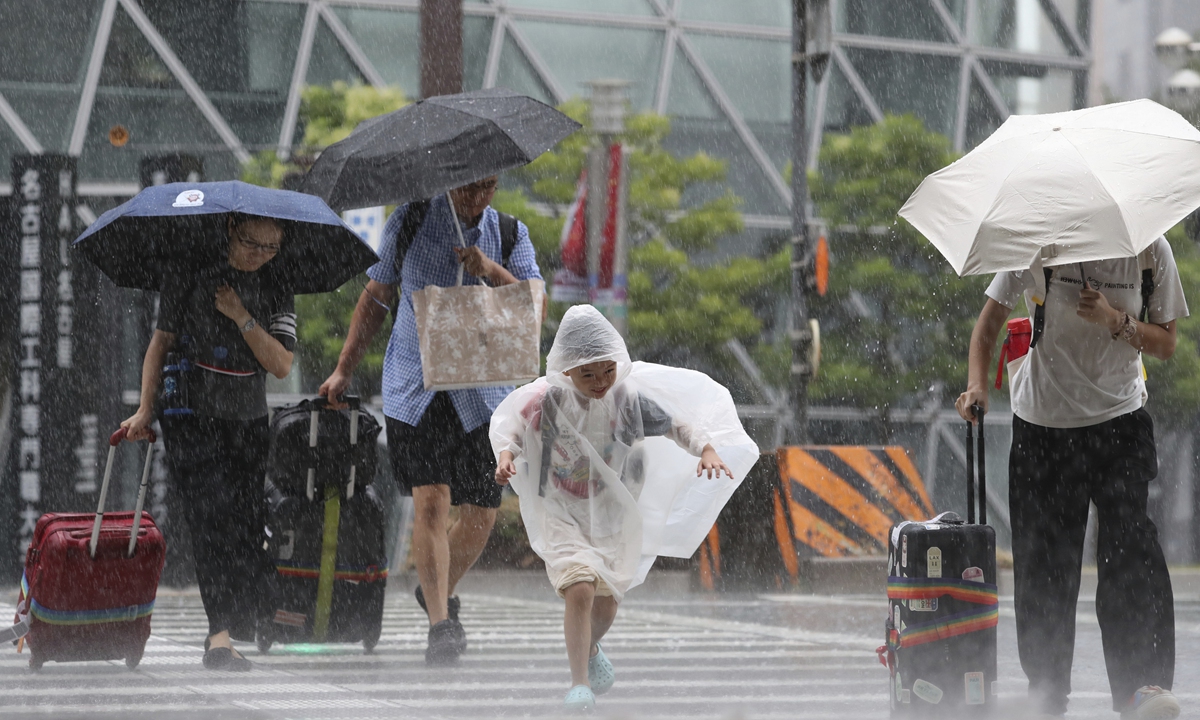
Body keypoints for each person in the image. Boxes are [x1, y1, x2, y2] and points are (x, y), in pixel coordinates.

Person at [956, 239, 1187, 719]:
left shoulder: (1149, 249)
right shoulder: (1037, 245)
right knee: (1045, 568)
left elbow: (1165, 343)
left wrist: (1114, 321)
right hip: (1044, 427)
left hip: (1120, 421)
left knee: (1130, 551)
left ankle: (1141, 687)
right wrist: (977, 386)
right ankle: (1046, 693)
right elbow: (987, 329)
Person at [320, 177, 543, 666]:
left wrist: (489, 269)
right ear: (450, 177)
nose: (477, 196)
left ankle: (435, 589)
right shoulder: (411, 219)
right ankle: (442, 624)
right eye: (468, 185)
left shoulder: (509, 232)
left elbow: (533, 306)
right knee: (432, 503)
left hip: (483, 393)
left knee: (482, 512)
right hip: (416, 387)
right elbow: (376, 297)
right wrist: (344, 368)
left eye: (487, 186)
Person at [490, 305, 757, 711]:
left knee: (607, 600)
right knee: (579, 587)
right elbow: (512, 426)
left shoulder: (627, 400)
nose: (600, 382)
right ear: (566, 370)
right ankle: (579, 682)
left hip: (614, 512)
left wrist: (704, 449)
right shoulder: (546, 402)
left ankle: (591, 646)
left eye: (607, 371)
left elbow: (674, 424)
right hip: (561, 510)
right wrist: (507, 454)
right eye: (588, 374)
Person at [121, 214, 296, 671]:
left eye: (271, 246)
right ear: (230, 230)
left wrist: (241, 315)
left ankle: (239, 620)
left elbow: (280, 364)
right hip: (192, 418)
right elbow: (160, 343)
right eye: (251, 242)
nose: (260, 253)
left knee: (245, 525)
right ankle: (219, 635)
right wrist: (145, 409)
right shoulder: (190, 272)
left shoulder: (277, 282)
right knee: (210, 518)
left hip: (248, 420)